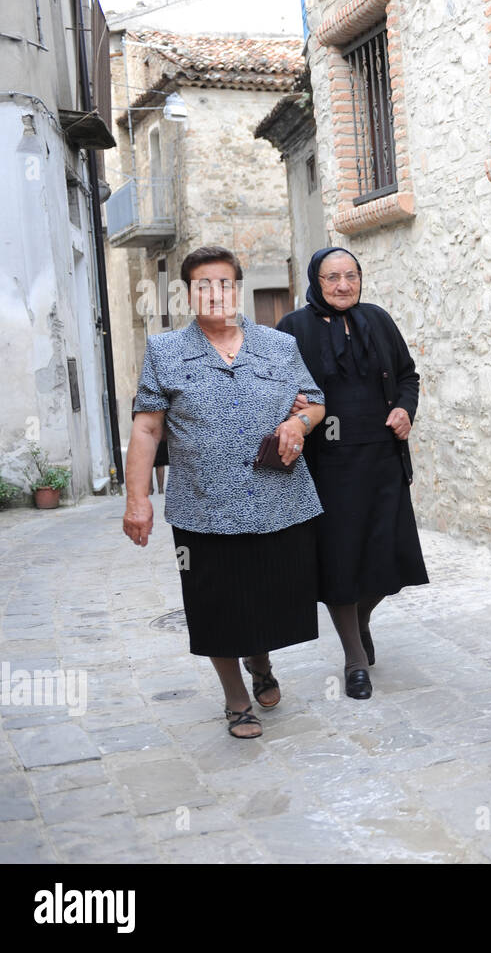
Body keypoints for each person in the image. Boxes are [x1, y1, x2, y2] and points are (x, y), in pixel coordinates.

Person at [122, 245, 327, 739]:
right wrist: (138, 499)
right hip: (203, 507)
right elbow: (147, 430)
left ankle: (260, 660)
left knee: (271, 597)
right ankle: (237, 700)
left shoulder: (278, 346)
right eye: (203, 285)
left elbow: (315, 402)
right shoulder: (165, 351)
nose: (216, 294)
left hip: (277, 500)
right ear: (188, 294)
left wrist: (297, 424)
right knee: (215, 605)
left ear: (239, 289)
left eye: (225, 284)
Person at [277, 247, 428, 701]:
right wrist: (292, 407)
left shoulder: (378, 320)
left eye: (351, 276)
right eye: (332, 278)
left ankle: (360, 621)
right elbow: (276, 388)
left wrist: (405, 408)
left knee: (388, 553)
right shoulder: (293, 329)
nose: (343, 285)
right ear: (315, 281)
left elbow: (408, 376)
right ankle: (354, 660)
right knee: (341, 558)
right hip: (329, 466)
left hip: (382, 458)